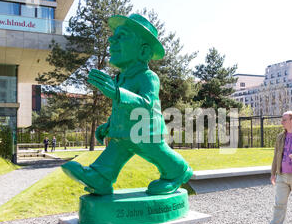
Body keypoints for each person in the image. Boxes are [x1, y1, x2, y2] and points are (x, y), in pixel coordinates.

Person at [61, 13, 193, 195]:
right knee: (116, 149)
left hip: (146, 130)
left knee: (157, 152)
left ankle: (178, 171)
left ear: (143, 51)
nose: (111, 40)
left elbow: (147, 103)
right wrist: (108, 125)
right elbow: (120, 107)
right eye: (113, 36)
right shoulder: (121, 79)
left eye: (121, 36)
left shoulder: (148, 77)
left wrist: (116, 92)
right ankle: (100, 177)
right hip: (123, 132)